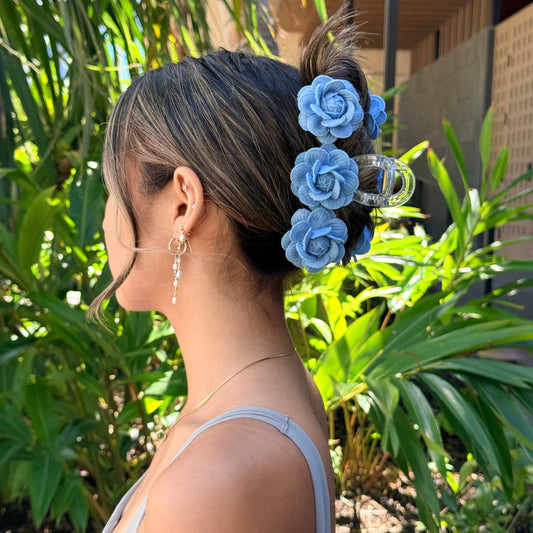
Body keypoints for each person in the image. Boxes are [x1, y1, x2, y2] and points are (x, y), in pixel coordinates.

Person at [92, 10, 413, 533]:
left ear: (182, 203)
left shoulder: (218, 479)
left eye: (113, 189)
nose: (107, 218)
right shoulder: (265, 398)